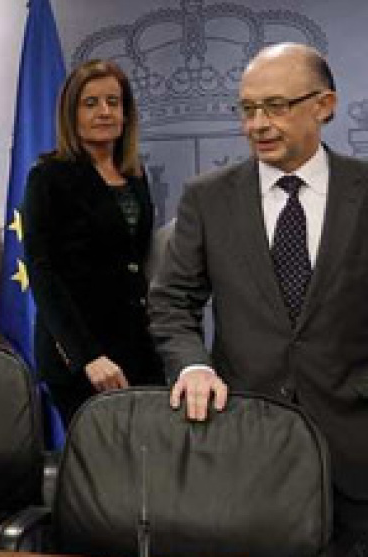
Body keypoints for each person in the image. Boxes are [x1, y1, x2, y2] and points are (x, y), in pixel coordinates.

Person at [149, 43, 368, 555]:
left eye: (276, 106)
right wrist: (192, 366)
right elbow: (172, 301)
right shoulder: (208, 196)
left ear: (324, 105)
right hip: (244, 438)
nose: (258, 124)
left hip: (356, 443)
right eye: (248, 109)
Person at [21, 59, 165, 425]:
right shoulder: (48, 177)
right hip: (80, 355)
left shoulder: (135, 175)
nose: (105, 112)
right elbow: (42, 273)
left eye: (113, 102)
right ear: (71, 114)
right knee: (101, 454)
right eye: (91, 103)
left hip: (138, 349)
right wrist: (87, 356)